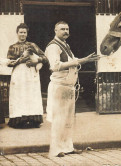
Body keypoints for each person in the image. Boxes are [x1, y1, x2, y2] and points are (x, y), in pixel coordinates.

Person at [45, 21, 99, 157]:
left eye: (67, 29)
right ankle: (56, 150)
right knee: (59, 119)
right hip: (59, 86)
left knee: (68, 120)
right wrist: (77, 62)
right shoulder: (53, 47)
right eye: (62, 29)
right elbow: (54, 66)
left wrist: (85, 60)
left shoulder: (66, 46)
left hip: (69, 87)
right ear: (55, 30)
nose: (65, 31)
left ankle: (68, 147)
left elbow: (74, 61)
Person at [7, 23, 48, 128]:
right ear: (17, 33)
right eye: (21, 32)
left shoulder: (32, 45)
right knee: (19, 95)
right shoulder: (12, 47)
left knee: (31, 95)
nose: (22, 35)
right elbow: (9, 62)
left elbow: (45, 57)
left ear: (27, 34)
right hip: (18, 74)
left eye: (24, 32)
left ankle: (33, 120)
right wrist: (21, 59)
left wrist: (36, 61)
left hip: (30, 74)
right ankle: (19, 121)